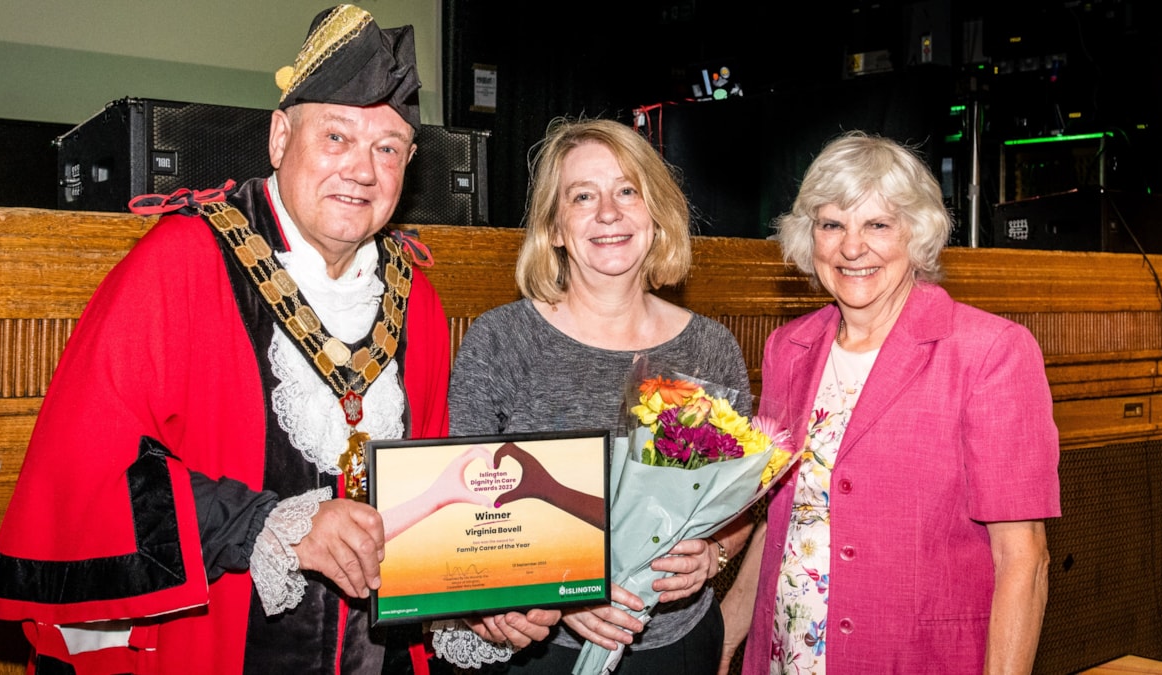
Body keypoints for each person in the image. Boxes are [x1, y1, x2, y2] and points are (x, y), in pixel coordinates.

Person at [0, 5, 553, 674]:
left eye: (387, 147)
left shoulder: (413, 295)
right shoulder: (184, 263)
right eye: (336, 136)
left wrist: (482, 597)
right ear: (281, 138)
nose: (363, 170)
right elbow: (87, 474)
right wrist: (270, 524)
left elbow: (428, 504)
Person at [718, 131, 1061, 674]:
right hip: (788, 656)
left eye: (878, 224)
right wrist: (730, 630)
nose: (852, 248)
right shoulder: (789, 349)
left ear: (917, 234)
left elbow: (1025, 560)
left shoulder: (990, 352)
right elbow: (794, 512)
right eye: (832, 225)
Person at [433, 117, 755, 674]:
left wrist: (713, 555)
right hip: (543, 653)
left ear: (655, 212)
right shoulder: (502, 340)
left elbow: (737, 500)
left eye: (627, 190)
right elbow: (467, 516)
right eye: (583, 196)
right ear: (555, 228)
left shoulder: (710, 346)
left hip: (680, 647)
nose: (609, 212)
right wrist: (563, 586)